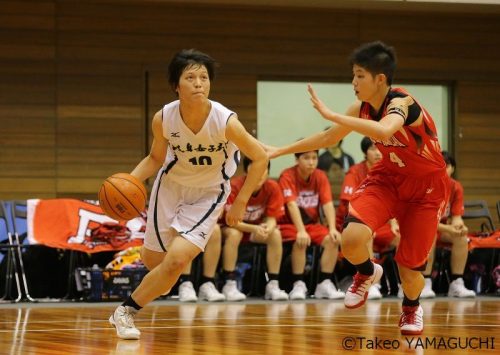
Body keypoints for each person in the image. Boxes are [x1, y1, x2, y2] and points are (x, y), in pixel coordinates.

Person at [267, 41, 449, 335]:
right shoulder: (360, 108)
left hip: (427, 190)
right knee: (351, 238)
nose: (353, 82)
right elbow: (327, 139)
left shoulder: (402, 102)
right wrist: (280, 150)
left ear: (380, 79)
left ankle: (411, 308)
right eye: (353, 74)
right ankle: (367, 272)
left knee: (410, 269)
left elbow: (384, 130)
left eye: (359, 75)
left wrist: (333, 115)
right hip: (388, 179)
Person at [108, 49, 268, 340]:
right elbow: (155, 158)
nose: (199, 83)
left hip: (209, 193)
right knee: (157, 265)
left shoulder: (226, 121)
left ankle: (124, 312)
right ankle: (157, 281)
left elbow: (259, 158)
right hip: (170, 187)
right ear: (176, 85)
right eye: (191, 77)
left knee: (177, 261)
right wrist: (128, 182)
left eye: (204, 78)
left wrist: (240, 202)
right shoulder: (164, 118)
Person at [337, 136, 399, 300]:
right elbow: (349, 202)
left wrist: (394, 223)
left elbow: (392, 200)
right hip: (358, 221)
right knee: (366, 234)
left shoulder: (389, 171)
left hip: (382, 223)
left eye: (380, 148)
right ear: (365, 152)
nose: (378, 152)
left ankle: (403, 283)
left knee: (402, 238)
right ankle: (372, 284)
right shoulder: (355, 172)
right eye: (373, 149)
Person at [278, 150, 345, 300]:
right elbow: (291, 205)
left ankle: (324, 283)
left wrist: (333, 228)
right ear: (297, 159)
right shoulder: (287, 175)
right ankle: (298, 284)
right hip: (288, 224)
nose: (311, 162)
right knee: (300, 239)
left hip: (311, 225)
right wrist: (301, 230)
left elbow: (327, 204)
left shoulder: (320, 176)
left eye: (314, 158)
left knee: (332, 239)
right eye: (306, 158)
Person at [221, 157, 288, 301]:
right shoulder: (235, 185)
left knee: (275, 234)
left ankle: (272, 284)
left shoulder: (272, 187)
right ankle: (229, 283)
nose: (259, 174)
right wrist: (254, 228)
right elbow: (231, 222)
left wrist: (268, 228)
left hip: (253, 230)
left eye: (263, 170)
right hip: (229, 228)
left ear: (268, 172)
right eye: (255, 170)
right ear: (246, 171)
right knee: (235, 234)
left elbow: (272, 218)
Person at [419, 151, 475, 298]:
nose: (444, 169)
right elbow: (426, 220)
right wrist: (450, 228)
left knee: (461, 238)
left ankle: (456, 283)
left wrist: (460, 227)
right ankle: (425, 282)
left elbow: (456, 217)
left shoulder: (456, 187)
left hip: (442, 228)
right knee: (429, 236)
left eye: (447, 165)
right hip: (422, 227)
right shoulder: (427, 186)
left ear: (453, 168)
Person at [177, 224, 226, 302]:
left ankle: (207, 283)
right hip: (176, 222)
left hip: (199, 220)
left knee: (215, 229)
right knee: (187, 226)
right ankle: (185, 282)